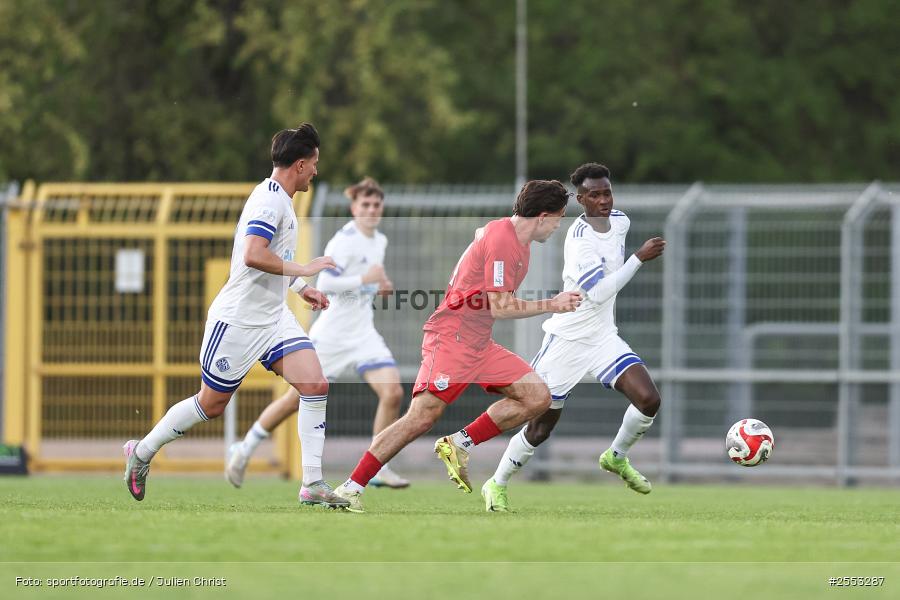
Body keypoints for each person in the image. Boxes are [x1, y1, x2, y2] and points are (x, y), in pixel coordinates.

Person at [123, 123, 349, 508]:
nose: (316, 171)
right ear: (299, 164)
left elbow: (274, 257)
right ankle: (142, 452)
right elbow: (253, 255)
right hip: (238, 321)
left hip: (273, 318)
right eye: (314, 164)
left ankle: (312, 483)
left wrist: (300, 289)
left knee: (315, 385)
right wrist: (306, 271)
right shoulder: (269, 201)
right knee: (211, 404)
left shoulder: (282, 200)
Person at [330, 180, 583, 513]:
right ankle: (349, 488)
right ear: (542, 216)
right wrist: (553, 304)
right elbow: (501, 307)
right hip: (452, 337)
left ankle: (458, 444)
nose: (557, 226)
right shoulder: (503, 240)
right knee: (421, 417)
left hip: (479, 341)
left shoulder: (513, 239)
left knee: (537, 397)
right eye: (558, 219)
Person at [481, 162, 666, 512]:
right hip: (566, 341)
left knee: (649, 400)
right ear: (581, 200)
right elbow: (597, 293)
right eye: (594, 195)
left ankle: (616, 457)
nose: (603, 200)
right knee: (539, 429)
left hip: (603, 338)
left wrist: (632, 258)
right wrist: (638, 259)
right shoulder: (578, 241)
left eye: (607, 192)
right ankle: (496, 483)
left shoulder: (621, 222)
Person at [225, 177, 410, 490]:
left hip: (363, 334)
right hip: (332, 336)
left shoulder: (379, 241)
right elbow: (326, 285)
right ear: (354, 207)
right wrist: (363, 279)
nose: (371, 210)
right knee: (293, 401)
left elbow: (363, 283)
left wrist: (378, 287)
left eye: (376, 205)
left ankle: (379, 466)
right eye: (365, 204)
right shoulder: (344, 240)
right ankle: (244, 448)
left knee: (393, 393)